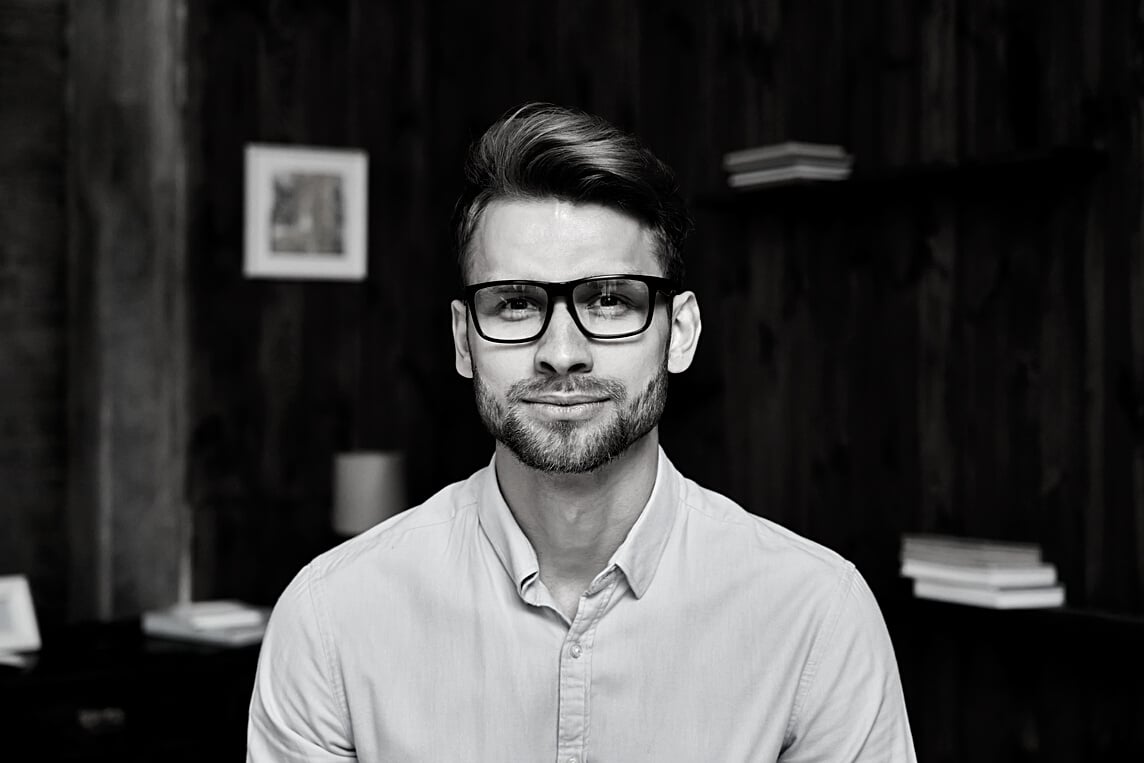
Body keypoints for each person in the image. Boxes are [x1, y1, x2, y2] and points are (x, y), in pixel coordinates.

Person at [247, 103, 917, 762]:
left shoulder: (817, 619)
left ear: (678, 332)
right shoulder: (332, 619)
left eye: (609, 300)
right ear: (462, 340)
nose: (561, 351)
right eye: (515, 303)